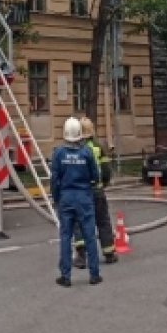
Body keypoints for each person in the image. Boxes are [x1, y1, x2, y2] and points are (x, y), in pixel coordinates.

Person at [51, 117, 101, 287]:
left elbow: (54, 179)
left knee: (66, 237)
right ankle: (94, 274)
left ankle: (65, 276)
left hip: (66, 197)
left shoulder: (58, 153)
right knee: (90, 236)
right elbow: (95, 175)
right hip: (84, 197)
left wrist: (56, 198)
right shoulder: (86, 152)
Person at [73, 117, 118, 268]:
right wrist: (102, 184)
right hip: (97, 192)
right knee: (103, 221)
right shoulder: (98, 147)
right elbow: (106, 171)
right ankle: (109, 253)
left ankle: (81, 257)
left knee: (80, 223)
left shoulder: (74, 149)